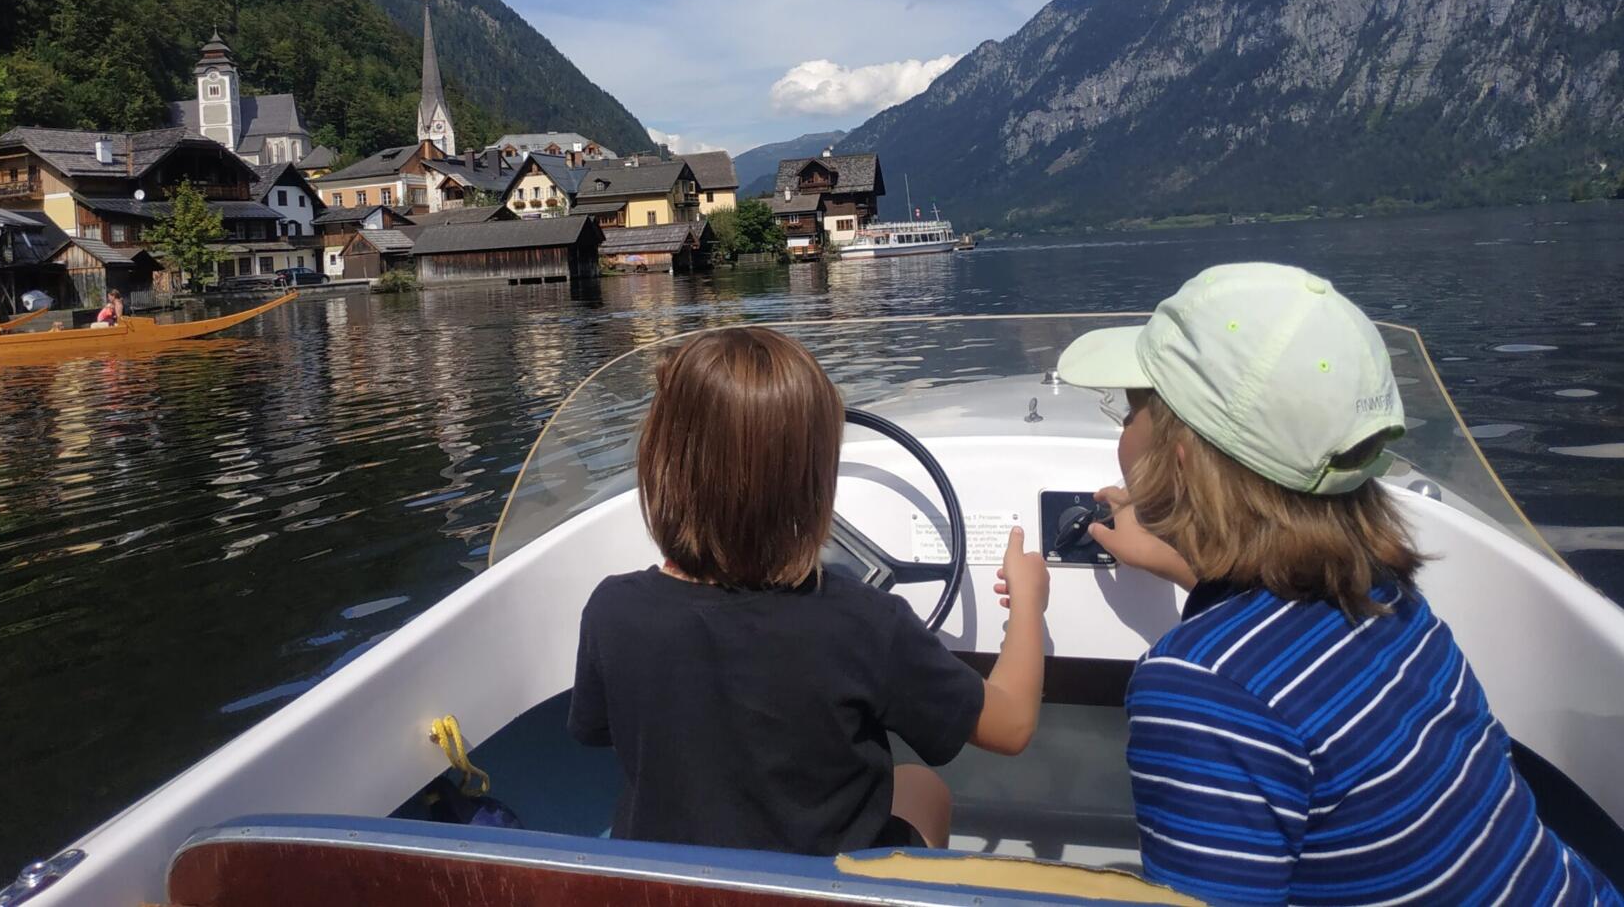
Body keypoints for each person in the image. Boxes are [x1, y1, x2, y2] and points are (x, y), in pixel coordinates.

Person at [1058, 262, 1620, 906]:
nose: (1121, 430)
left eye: (1131, 410)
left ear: (1180, 460)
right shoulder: (1376, 585)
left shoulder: (1197, 686)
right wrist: (1184, 563)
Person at [569, 325, 1048, 855]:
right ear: (812, 483)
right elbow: (1012, 725)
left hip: (674, 886)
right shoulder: (867, 623)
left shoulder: (612, 609)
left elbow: (599, 731)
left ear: (660, 467)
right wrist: (1028, 602)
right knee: (921, 786)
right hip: (821, 887)